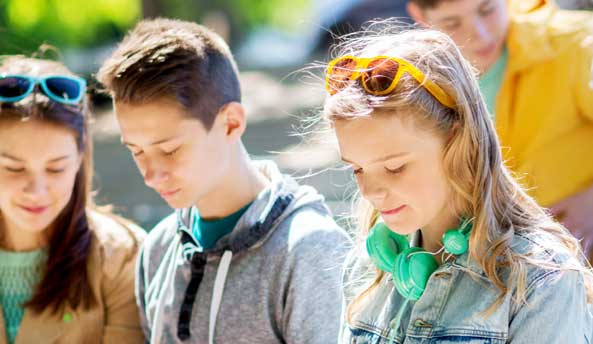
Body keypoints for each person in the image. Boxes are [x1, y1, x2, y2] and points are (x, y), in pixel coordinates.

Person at [321, 26, 593, 343]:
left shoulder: (540, 280)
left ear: (459, 142)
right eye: (357, 169)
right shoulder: (365, 269)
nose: (370, 191)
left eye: (394, 167)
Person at [96, 18, 351, 343]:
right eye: (137, 151)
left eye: (170, 149)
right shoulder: (158, 248)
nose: (151, 175)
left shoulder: (309, 250)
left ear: (231, 123)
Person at [406, 0, 593, 259]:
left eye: (487, 10)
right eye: (452, 23)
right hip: (506, 266)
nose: (481, 33)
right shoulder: (416, 78)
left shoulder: (577, 44)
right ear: (420, 17)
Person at [0, 56, 145, 343]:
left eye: (56, 168)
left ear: (80, 159)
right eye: (13, 168)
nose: (36, 190)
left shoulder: (121, 257)